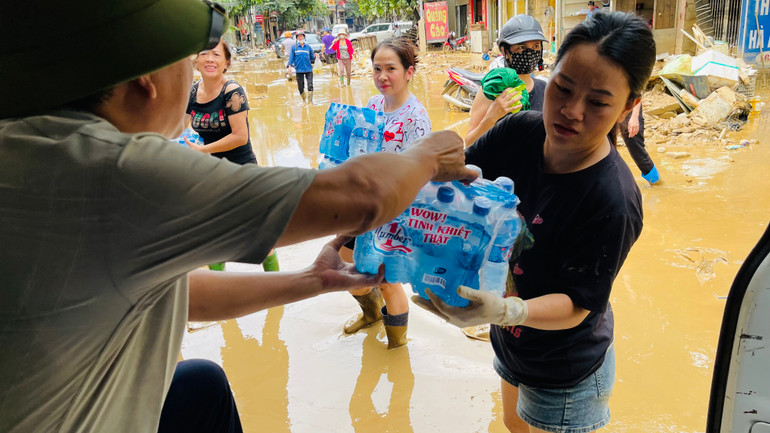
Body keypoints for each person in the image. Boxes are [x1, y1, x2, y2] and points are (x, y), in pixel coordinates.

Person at [0, 1, 477, 432]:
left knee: (201, 382)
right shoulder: (123, 170)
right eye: (188, 64)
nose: (195, 76)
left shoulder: (28, 143)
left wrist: (312, 280)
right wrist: (433, 152)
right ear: (145, 81)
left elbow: (183, 294)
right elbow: (363, 194)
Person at [414, 12, 655, 433]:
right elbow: (450, 187)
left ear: (629, 105)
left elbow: (578, 305)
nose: (571, 112)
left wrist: (509, 309)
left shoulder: (612, 199)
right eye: (562, 88)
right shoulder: (519, 131)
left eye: (598, 102)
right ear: (551, 74)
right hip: (513, 345)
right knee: (512, 424)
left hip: (564, 370)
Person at [340, 38, 433, 350]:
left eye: (391, 68)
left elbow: (417, 177)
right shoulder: (372, 105)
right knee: (346, 264)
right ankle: (371, 314)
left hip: (394, 212)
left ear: (409, 72)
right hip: (363, 205)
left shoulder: (416, 118)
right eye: (377, 68)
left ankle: (396, 344)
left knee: (388, 279)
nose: (383, 76)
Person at [185, 38, 280, 272]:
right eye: (204, 53)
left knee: (259, 236)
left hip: (241, 171)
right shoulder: (193, 91)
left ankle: (276, 295)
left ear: (226, 63)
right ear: (196, 61)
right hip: (210, 174)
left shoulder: (232, 92)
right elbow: (182, 127)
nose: (209, 59)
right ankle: (218, 295)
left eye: (216, 55)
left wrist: (203, 150)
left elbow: (240, 136)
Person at [465, 15, 549, 147]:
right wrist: (493, 115)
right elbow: (469, 143)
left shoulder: (545, 89)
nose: (529, 52)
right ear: (505, 51)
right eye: (521, 47)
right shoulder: (492, 90)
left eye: (536, 46)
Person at [619, 101, 661, 184]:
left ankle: (655, 181)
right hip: (605, 103)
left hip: (628, 103)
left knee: (634, 143)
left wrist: (634, 117)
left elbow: (637, 92)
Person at [287, 29, 316, 103]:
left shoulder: (308, 47)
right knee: (300, 86)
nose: (300, 38)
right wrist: (289, 67)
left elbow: (312, 57)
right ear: (296, 38)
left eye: (302, 36)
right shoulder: (294, 48)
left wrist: (316, 56)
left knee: (310, 85)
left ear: (304, 37)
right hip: (299, 69)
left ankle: (310, 102)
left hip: (308, 69)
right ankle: (304, 100)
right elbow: (291, 58)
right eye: (299, 37)